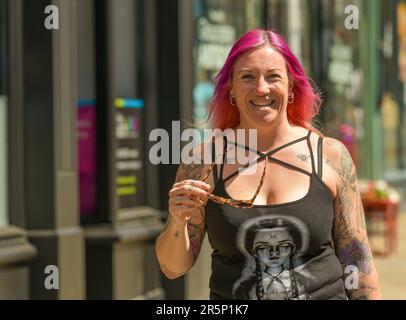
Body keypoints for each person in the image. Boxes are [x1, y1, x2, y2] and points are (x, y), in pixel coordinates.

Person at [155, 28, 381, 300]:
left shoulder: (330, 156)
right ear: (232, 90)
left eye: (273, 76)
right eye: (248, 77)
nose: (261, 88)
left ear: (291, 86)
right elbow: (172, 268)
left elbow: (356, 258)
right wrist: (177, 223)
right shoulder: (203, 161)